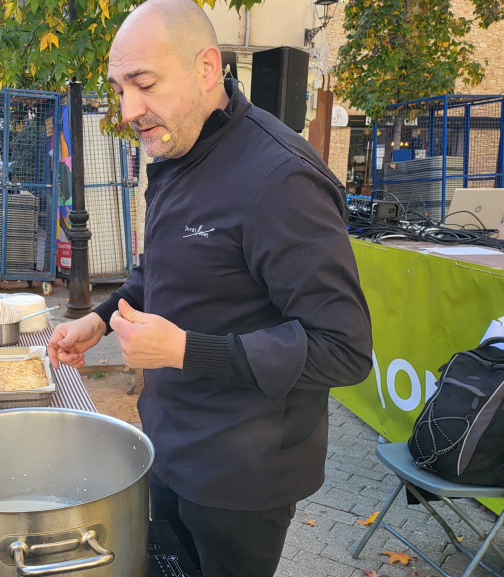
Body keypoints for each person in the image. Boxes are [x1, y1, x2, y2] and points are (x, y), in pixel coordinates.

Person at [46, 1, 373, 576]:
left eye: (144, 85)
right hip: (168, 443)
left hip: (242, 476)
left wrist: (183, 350)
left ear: (206, 68)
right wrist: (98, 318)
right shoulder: (176, 150)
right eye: (120, 88)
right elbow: (167, 270)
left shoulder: (281, 180)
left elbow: (344, 349)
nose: (128, 111)